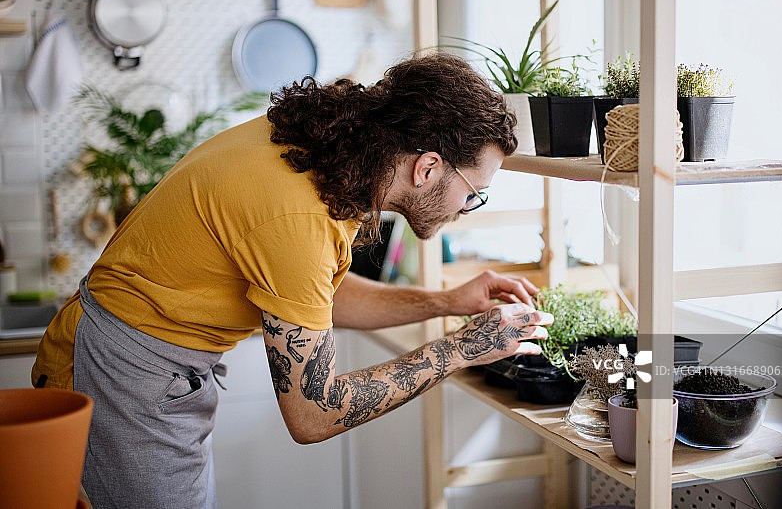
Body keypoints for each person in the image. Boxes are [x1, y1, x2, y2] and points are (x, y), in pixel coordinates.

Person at [32, 53, 553, 508]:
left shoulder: (322, 159)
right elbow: (313, 414)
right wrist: (459, 350)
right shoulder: (300, 216)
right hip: (127, 377)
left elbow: (309, 297)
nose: (469, 208)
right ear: (428, 168)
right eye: (474, 193)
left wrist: (445, 301)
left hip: (143, 366)